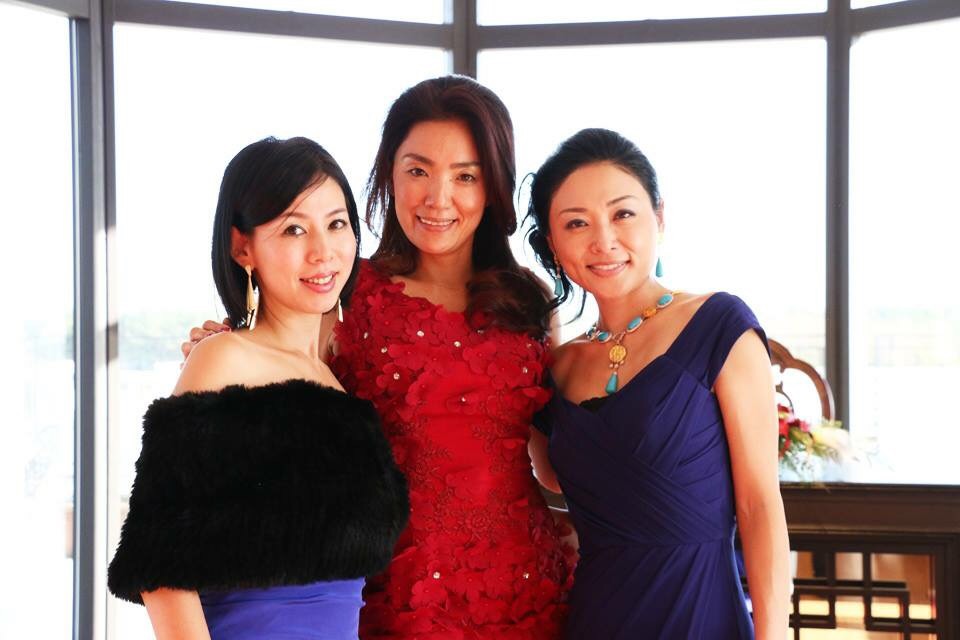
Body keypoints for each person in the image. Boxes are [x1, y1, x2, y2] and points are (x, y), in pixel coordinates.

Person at [182, 77, 573, 638]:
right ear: (388, 174)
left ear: (494, 185)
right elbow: (271, 407)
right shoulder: (341, 292)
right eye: (418, 171)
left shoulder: (530, 300)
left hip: (526, 591)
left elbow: (553, 468)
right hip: (390, 600)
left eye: (466, 176)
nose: (438, 198)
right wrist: (222, 350)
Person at [108, 136, 409, 640]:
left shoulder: (335, 384)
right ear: (242, 247)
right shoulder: (224, 358)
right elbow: (161, 572)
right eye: (294, 229)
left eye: (337, 224)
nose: (323, 251)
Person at [525, 128, 791, 639]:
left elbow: (760, 506)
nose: (604, 241)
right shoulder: (555, 367)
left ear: (659, 218)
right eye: (576, 223)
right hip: (595, 619)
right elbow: (551, 481)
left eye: (623, 214)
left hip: (702, 617)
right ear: (553, 245)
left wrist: (773, 634)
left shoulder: (719, 325)